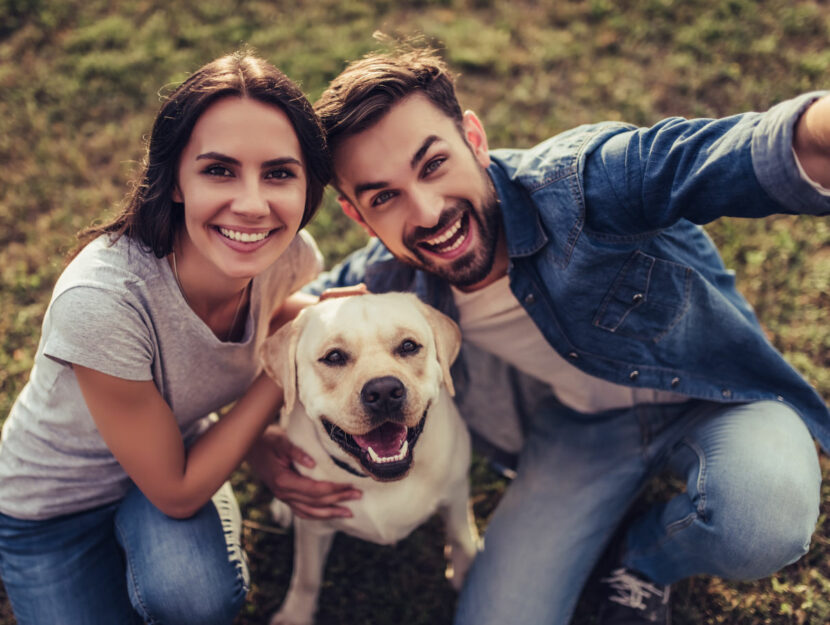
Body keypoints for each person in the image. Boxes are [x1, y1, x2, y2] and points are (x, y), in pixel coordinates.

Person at [261, 45, 830, 624]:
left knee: (764, 516)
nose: (427, 210)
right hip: (582, 429)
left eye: (433, 164)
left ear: (475, 141)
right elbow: (266, 321)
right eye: (384, 196)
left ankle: (645, 559)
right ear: (359, 217)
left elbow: (718, 156)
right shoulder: (385, 281)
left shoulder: (585, 183)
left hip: (717, 395)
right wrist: (260, 441)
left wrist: (815, 129)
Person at [0, 51, 333, 625]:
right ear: (175, 180)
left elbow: (275, 318)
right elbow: (178, 492)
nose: (253, 205)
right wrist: (288, 366)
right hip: (49, 515)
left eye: (279, 172)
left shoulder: (288, 258)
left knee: (195, 596)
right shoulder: (103, 301)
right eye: (219, 170)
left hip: (171, 451)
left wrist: (326, 322)